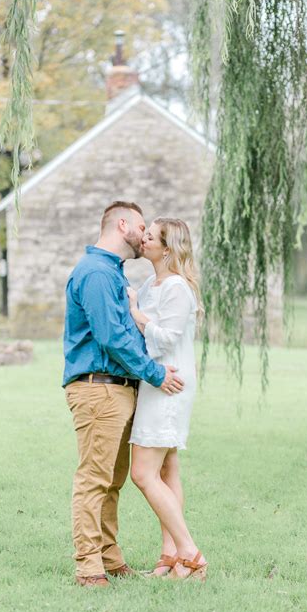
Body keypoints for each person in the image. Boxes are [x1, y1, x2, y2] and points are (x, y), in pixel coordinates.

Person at [63, 201, 184, 588]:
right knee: (94, 479)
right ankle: (88, 567)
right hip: (99, 389)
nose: (144, 234)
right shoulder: (97, 273)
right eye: (141, 226)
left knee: (112, 482)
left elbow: (128, 331)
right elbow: (112, 337)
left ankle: (111, 558)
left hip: (118, 391)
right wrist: (154, 373)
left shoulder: (112, 274)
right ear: (122, 225)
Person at [127, 218, 208, 581]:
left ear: (167, 247)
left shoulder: (176, 287)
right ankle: (170, 556)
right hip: (155, 381)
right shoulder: (150, 283)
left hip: (169, 382)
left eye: (149, 236)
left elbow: (165, 338)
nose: (142, 240)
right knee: (166, 468)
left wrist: (133, 312)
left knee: (142, 473)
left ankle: (190, 554)